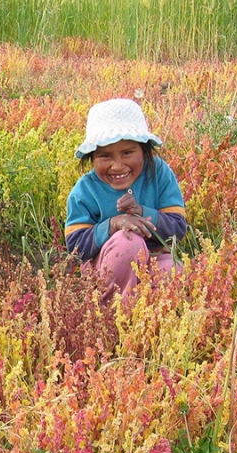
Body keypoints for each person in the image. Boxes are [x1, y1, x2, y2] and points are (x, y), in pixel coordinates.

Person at [65, 98, 187, 301]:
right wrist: (114, 224)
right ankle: (113, 314)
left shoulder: (159, 173)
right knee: (128, 242)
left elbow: (177, 229)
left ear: (145, 151)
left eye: (128, 152)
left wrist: (142, 212)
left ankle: (143, 318)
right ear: (92, 158)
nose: (118, 166)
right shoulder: (85, 190)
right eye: (105, 156)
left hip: (154, 261)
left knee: (179, 275)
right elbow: (76, 249)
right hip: (106, 267)